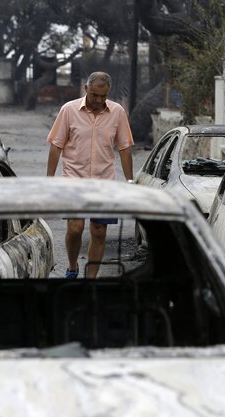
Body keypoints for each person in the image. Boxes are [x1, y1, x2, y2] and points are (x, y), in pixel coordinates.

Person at [46, 71, 134, 279]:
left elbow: (124, 148)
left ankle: (91, 280)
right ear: (86, 89)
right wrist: (48, 181)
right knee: (75, 227)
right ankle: (72, 265)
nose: (98, 100)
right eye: (95, 95)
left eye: (103, 96)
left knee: (99, 230)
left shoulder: (118, 112)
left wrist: (130, 181)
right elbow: (56, 146)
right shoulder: (68, 110)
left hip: (104, 183)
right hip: (74, 181)